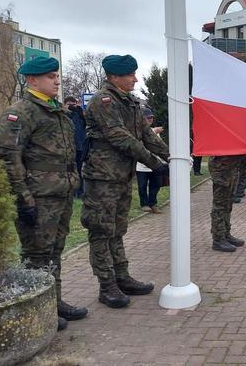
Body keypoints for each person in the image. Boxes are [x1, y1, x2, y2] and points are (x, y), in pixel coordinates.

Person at [0, 56, 87, 331]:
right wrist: (24, 199)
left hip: (60, 192)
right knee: (37, 255)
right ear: (32, 80)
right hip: (38, 196)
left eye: (57, 75)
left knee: (54, 251)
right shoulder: (21, 112)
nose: (56, 80)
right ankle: (39, 309)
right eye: (50, 76)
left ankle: (54, 301)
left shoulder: (54, 109)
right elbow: (8, 158)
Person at [82, 54, 170, 309]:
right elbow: (120, 137)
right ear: (114, 77)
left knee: (118, 229)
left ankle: (122, 276)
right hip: (102, 178)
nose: (136, 78)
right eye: (131, 74)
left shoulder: (131, 102)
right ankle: (107, 285)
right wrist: (155, 163)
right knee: (101, 231)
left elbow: (144, 134)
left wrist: (172, 155)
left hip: (121, 177)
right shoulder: (103, 101)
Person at [209, 154, 246, 252]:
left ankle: (225, 234)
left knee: (228, 203)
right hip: (221, 169)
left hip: (231, 167)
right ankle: (218, 238)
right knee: (220, 205)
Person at [135, 108, 165, 213]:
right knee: (142, 185)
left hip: (155, 164)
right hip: (141, 165)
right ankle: (144, 204)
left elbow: (158, 146)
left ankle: (153, 203)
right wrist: (154, 131)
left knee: (156, 184)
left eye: (151, 117)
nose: (150, 119)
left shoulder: (155, 132)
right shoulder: (138, 131)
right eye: (148, 117)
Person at [64, 96, 86, 198]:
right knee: (69, 170)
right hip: (67, 149)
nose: (71, 107)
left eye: (73, 105)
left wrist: (79, 110)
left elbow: (86, 123)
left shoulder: (78, 114)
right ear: (65, 105)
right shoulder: (63, 116)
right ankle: (70, 192)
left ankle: (80, 192)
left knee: (78, 171)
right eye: (69, 105)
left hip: (79, 147)